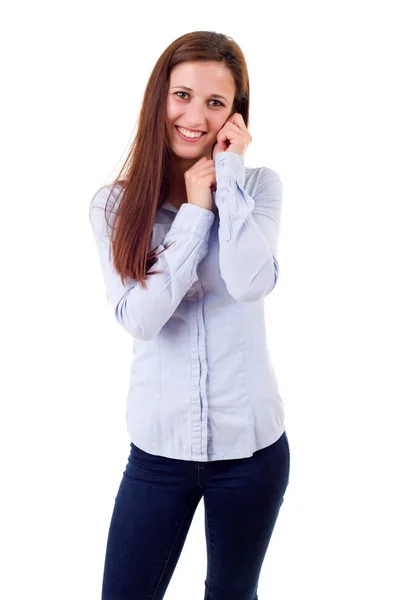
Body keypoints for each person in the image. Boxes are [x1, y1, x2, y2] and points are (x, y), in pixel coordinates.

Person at [89, 30, 290, 600]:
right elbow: (142, 318)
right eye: (182, 95)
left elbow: (251, 284)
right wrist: (195, 216)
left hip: (251, 452)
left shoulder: (260, 189)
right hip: (158, 455)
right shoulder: (113, 206)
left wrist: (226, 181)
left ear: (235, 118)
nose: (194, 115)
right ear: (160, 99)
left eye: (215, 102)